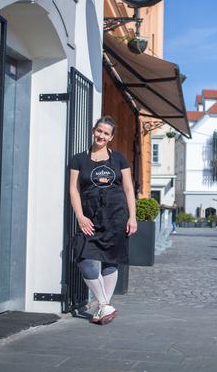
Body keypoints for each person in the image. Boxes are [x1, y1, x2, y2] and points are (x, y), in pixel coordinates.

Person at [69, 116, 137, 325]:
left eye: (106, 133)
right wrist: (80, 216)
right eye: (99, 131)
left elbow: (127, 188)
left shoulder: (119, 159)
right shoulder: (79, 159)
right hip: (90, 217)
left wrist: (132, 217)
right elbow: (74, 189)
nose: (101, 135)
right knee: (84, 259)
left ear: (111, 137)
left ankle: (102, 308)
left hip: (116, 215)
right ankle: (105, 305)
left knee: (110, 259)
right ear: (93, 130)